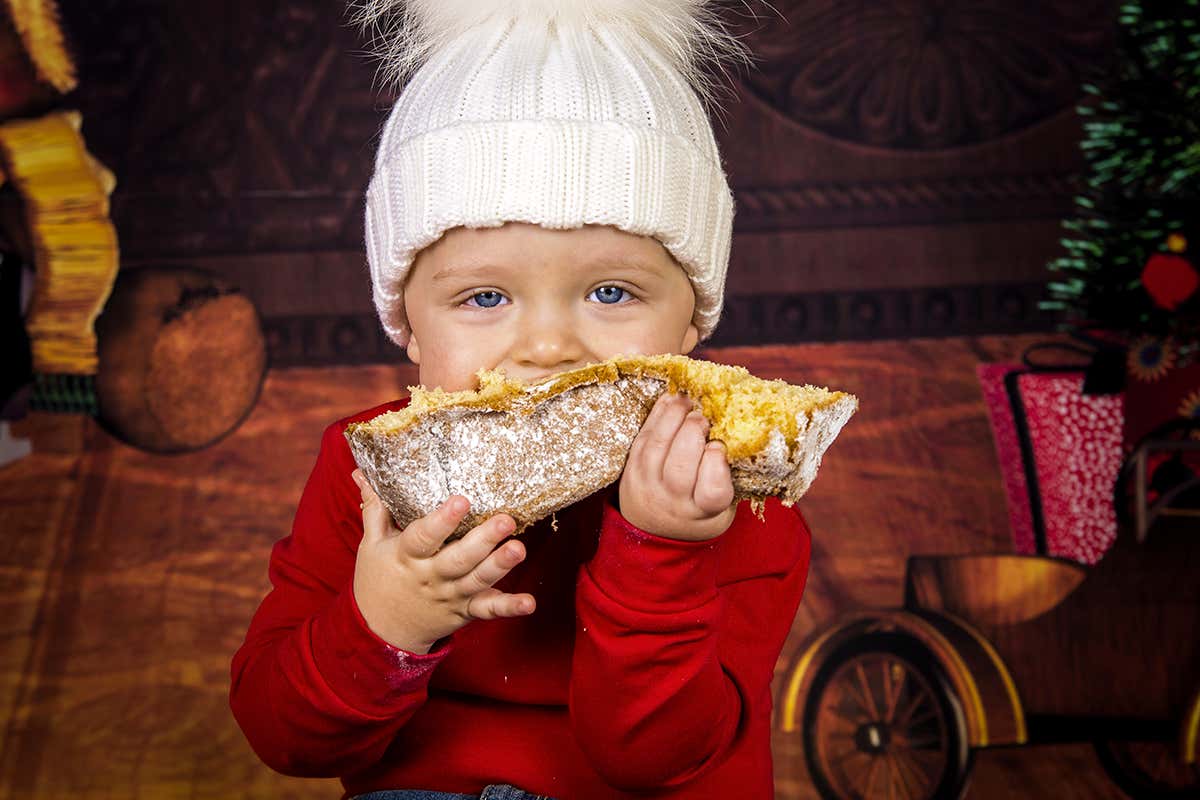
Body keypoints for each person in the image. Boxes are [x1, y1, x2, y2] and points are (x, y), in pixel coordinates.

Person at [230, 2, 814, 798]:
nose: (547, 347)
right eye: (484, 298)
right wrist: (385, 620)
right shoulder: (366, 475)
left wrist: (661, 550)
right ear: (409, 325)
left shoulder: (739, 500)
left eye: (611, 292)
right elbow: (282, 737)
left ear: (690, 323)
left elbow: (656, 759)